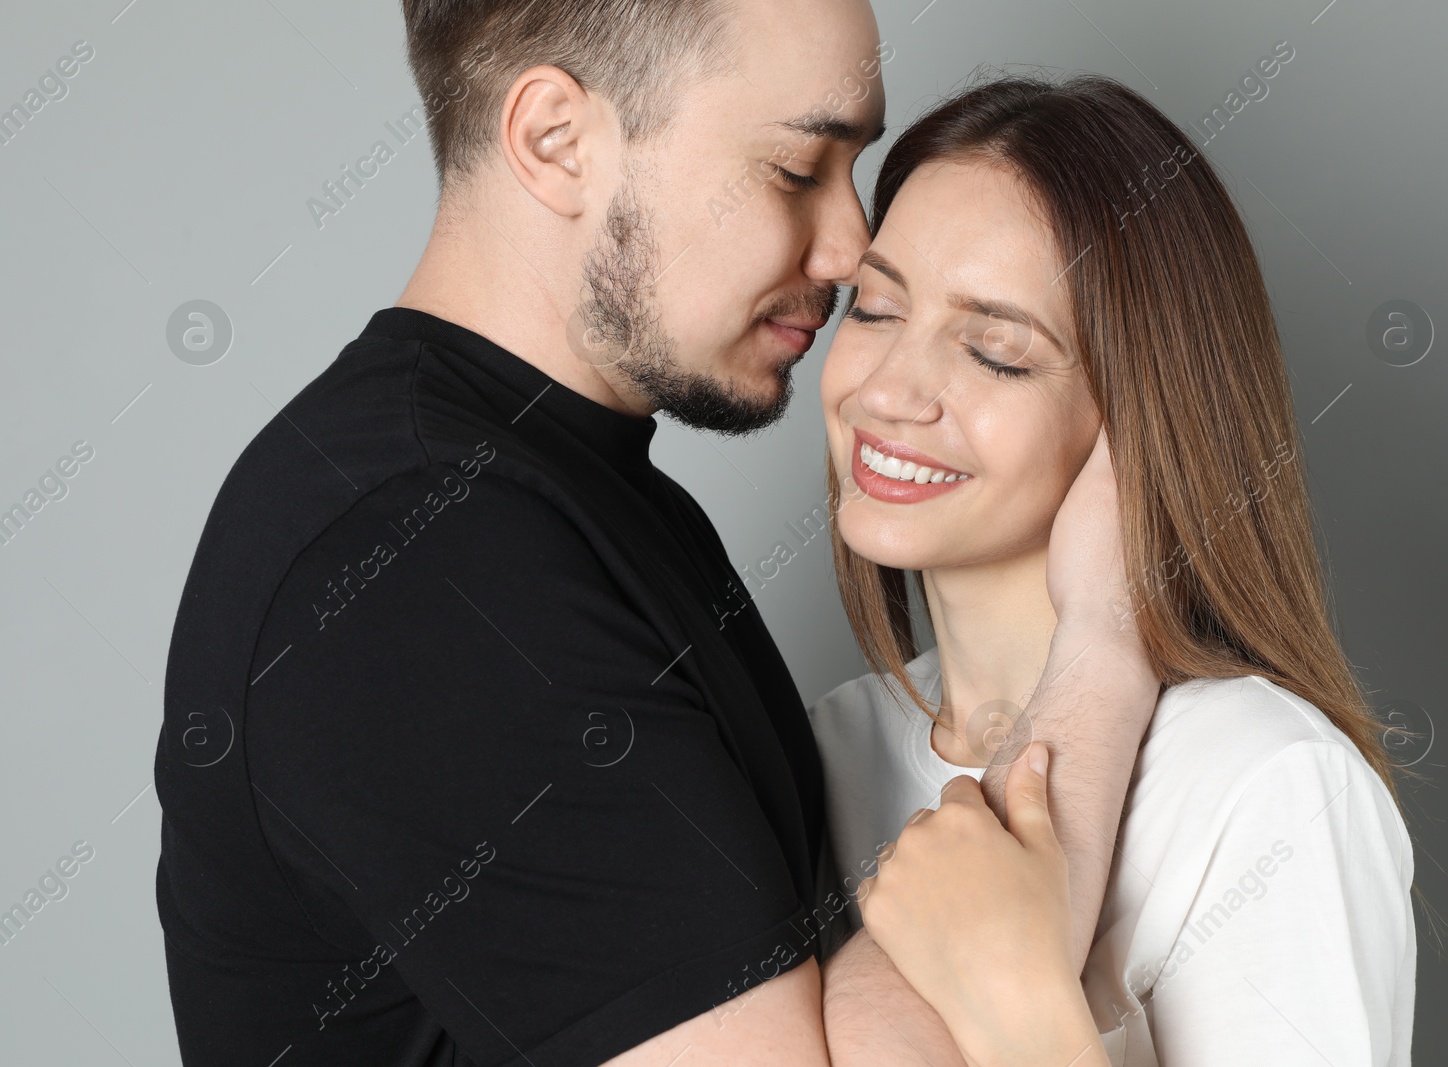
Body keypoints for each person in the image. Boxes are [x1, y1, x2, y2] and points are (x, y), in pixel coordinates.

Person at [151, 3, 1160, 1065]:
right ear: (555, 140)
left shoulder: (578, 500)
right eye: (794, 168)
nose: (852, 244)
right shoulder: (420, 560)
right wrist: (1102, 643)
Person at [807, 73, 1417, 1066]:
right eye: (873, 309)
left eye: (996, 352)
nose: (887, 389)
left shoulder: (1262, 782)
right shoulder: (822, 748)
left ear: (1140, 420)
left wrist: (1020, 999)